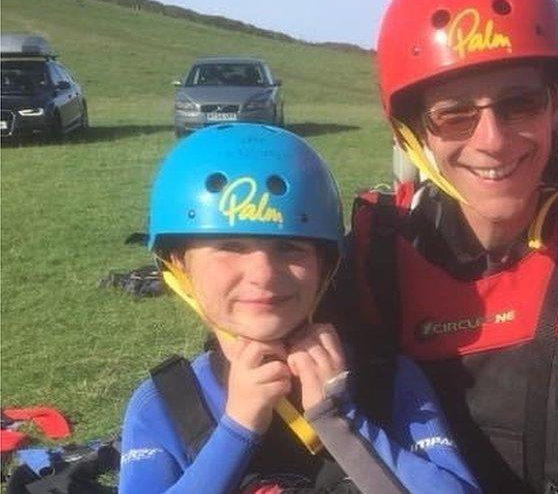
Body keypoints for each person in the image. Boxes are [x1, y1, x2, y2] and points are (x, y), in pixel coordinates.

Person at [334, 0, 558, 493]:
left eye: (519, 103)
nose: (493, 140)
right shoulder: (371, 262)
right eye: (454, 114)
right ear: (416, 134)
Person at [119, 124, 479, 493]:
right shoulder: (165, 404)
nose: (263, 275)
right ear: (178, 263)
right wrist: (236, 430)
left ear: (324, 265)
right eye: (229, 246)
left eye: (289, 247)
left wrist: (342, 421)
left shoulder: (386, 378)